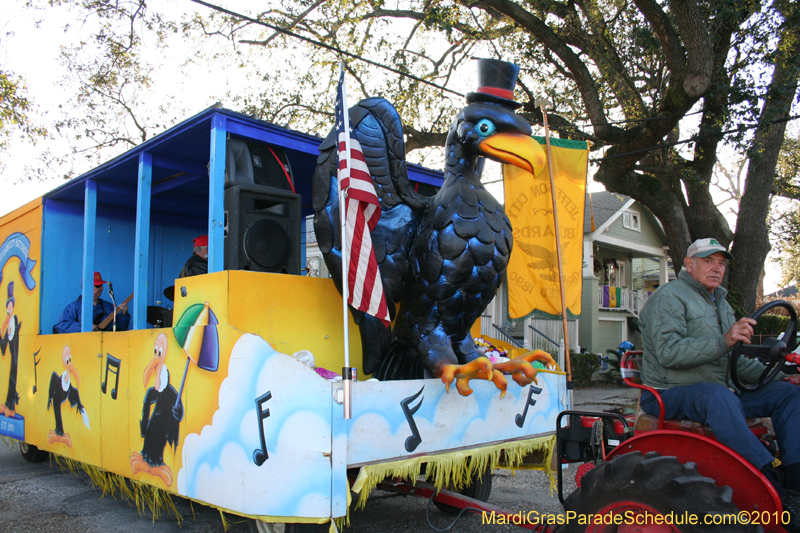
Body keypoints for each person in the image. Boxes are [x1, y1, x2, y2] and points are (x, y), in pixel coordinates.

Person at [639, 238, 800, 526]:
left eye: (721, 263)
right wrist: (724, 340)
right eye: (708, 261)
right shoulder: (669, 298)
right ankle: (769, 476)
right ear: (689, 264)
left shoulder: (720, 303)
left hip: (718, 391)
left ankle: (795, 483)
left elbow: (736, 361)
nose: (717, 268)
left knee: (788, 394)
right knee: (718, 398)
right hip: (668, 391)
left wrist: (784, 375)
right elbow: (668, 353)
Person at [54, 271, 130, 333]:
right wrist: (84, 326)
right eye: (97, 286)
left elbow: (121, 328)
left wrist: (124, 314)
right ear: (86, 287)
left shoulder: (108, 306)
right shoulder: (74, 307)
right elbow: (61, 326)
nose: (102, 288)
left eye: (101, 285)